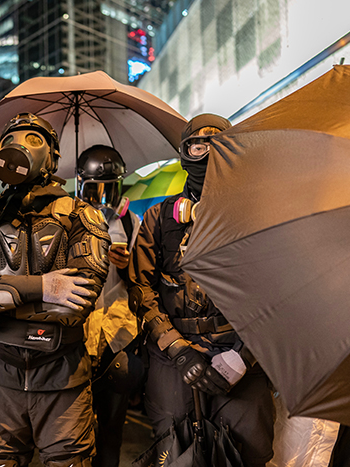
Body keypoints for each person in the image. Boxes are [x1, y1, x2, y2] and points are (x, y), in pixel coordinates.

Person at [0, 113, 111, 467]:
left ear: (52, 157)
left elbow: (74, 306)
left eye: (33, 140)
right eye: (10, 141)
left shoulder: (83, 216)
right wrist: (45, 287)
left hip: (62, 375)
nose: (19, 148)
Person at [127, 114, 274, 467]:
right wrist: (178, 349)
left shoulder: (258, 215)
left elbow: (276, 295)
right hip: (173, 358)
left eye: (218, 145)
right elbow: (141, 289)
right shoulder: (159, 218)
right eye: (198, 144)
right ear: (184, 153)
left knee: (248, 449)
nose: (207, 152)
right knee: (174, 448)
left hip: (240, 355)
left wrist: (242, 357)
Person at [76, 145, 144, 467]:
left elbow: (145, 282)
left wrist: (129, 267)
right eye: (93, 190)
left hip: (117, 338)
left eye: (108, 190)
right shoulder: (66, 220)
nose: (101, 199)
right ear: (80, 185)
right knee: (73, 430)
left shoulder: (132, 223)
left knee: (112, 428)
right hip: (76, 338)